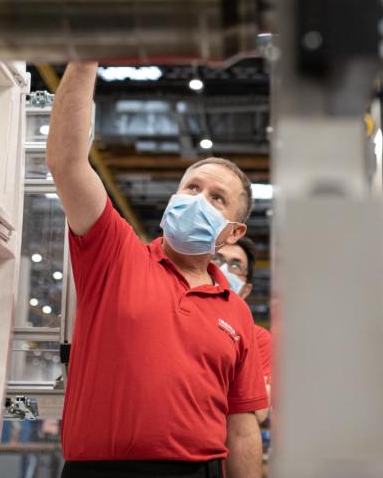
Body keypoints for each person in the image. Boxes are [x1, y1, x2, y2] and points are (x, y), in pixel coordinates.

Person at [46, 62, 269, 478]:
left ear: (232, 232)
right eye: (192, 187)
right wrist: (84, 58)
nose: (198, 200)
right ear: (174, 194)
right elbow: (66, 162)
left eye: (217, 198)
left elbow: (241, 430)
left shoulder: (236, 313)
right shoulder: (115, 254)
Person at [214, 237, 272, 420]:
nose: (223, 270)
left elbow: (258, 411)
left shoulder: (257, 338)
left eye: (236, 266)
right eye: (216, 259)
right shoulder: (175, 313)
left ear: (245, 290)